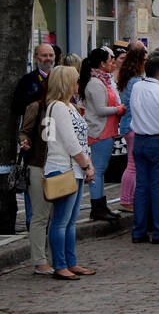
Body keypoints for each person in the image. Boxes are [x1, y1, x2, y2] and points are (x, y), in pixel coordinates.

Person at [42, 66, 95, 280]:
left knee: (70, 220)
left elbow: (80, 140)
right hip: (64, 167)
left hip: (74, 167)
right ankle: (60, 264)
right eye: (75, 81)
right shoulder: (58, 107)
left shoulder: (69, 106)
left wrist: (86, 163)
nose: (78, 85)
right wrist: (86, 164)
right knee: (61, 220)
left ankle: (70, 261)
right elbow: (71, 142)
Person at [129, 55, 159, 244]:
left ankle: (139, 230)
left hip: (140, 139)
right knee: (158, 188)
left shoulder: (137, 87)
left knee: (142, 187)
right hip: (158, 141)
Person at [79, 48, 125, 223]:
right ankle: (97, 207)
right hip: (100, 131)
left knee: (100, 169)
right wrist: (120, 109)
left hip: (107, 130)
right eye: (110, 60)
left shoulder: (102, 81)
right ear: (101, 64)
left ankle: (101, 205)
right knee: (97, 170)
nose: (112, 63)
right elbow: (100, 109)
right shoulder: (95, 83)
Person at [18, 83, 53, 274]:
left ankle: (58, 258)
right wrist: (24, 141)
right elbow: (25, 130)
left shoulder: (66, 106)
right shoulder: (36, 106)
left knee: (57, 216)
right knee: (40, 215)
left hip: (59, 167)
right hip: (38, 164)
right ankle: (39, 260)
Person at [115, 45, 147, 214]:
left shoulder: (127, 79)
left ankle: (129, 197)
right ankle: (127, 199)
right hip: (133, 125)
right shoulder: (135, 81)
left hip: (128, 124)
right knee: (133, 165)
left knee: (133, 164)